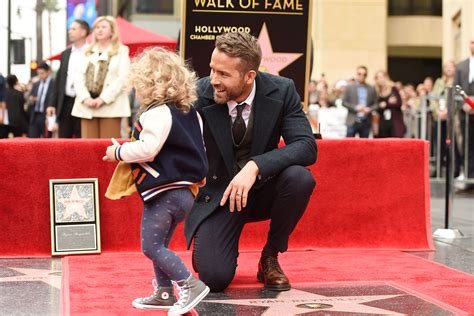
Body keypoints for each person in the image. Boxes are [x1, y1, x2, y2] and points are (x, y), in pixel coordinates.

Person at [184, 32, 317, 293]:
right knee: (214, 279)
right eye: (212, 70)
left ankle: (270, 256)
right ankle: (210, 244)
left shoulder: (282, 90)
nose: (214, 80)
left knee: (300, 178)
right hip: (219, 197)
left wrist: (255, 166)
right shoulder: (198, 94)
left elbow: (306, 146)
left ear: (249, 76)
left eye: (223, 74)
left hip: (262, 190)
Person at [103, 48, 210, 314]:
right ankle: (164, 293)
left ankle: (189, 285)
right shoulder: (190, 114)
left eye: (138, 86)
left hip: (165, 192)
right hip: (186, 192)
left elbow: (148, 149)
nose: (136, 92)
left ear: (150, 85)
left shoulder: (156, 113)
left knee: (150, 246)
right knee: (159, 243)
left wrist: (118, 152)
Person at [72, 15, 130, 138]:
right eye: (97, 27)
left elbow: (123, 78)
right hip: (86, 107)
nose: (99, 30)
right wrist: (85, 98)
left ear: (112, 31)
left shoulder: (122, 50)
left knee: (108, 147)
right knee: (88, 149)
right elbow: (77, 77)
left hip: (111, 107)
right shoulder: (86, 51)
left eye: (103, 27)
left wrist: (103, 99)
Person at [48, 19, 90, 138]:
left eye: (73, 29)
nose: (70, 31)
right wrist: (52, 104)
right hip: (65, 102)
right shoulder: (65, 54)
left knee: (84, 140)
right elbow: (59, 81)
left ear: (83, 32)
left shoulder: (92, 52)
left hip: (84, 102)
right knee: (64, 141)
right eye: (69, 29)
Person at [454, 39, 474, 184]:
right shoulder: (461, 66)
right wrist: (463, 105)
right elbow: (456, 88)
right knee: (467, 144)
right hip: (465, 112)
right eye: (472, 42)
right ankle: (468, 175)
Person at [343, 65, 378, 138]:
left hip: (366, 121)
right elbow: (344, 102)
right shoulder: (349, 87)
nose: (362, 76)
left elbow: (376, 104)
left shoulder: (371, 88)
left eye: (364, 74)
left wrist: (369, 109)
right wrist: (355, 107)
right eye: (359, 74)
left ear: (366, 75)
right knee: (348, 145)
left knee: (364, 146)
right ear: (356, 74)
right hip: (352, 120)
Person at [374, 70, 405, 138]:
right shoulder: (376, 92)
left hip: (394, 122)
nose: (381, 79)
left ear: (386, 78)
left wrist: (386, 104)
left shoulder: (393, 89)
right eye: (378, 77)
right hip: (383, 123)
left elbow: (399, 103)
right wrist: (387, 103)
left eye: (382, 77)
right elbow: (375, 107)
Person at [27, 62, 55, 138]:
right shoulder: (36, 84)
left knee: (47, 140)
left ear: (48, 72)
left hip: (46, 115)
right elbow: (29, 97)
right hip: (35, 115)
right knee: (33, 139)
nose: (40, 75)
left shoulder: (54, 84)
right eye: (38, 73)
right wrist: (32, 99)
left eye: (42, 73)